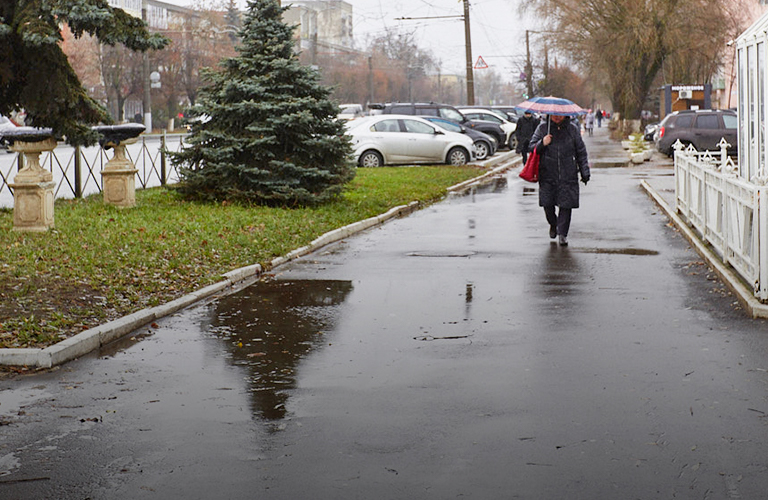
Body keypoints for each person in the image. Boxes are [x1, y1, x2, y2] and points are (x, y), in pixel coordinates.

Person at [528, 114, 590, 246]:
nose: (557, 117)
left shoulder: (572, 129)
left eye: (560, 115)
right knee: (547, 205)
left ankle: (562, 234)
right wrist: (542, 143)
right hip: (547, 174)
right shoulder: (543, 128)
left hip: (568, 174)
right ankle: (553, 224)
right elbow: (531, 147)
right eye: (555, 115)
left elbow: (581, 152)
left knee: (566, 205)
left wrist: (585, 172)